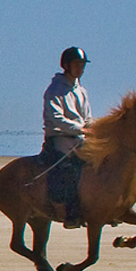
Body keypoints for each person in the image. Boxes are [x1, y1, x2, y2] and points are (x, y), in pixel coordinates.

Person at [41, 46, 93, 228]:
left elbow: (88, 119)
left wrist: (93, 130)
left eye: (82, 65)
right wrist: (81, 129)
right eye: (77, 64)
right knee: (70, 171)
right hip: (60, 139)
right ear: (66, 65)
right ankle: (71, 214)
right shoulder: (54, 90)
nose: (81, 68)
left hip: (80, 139)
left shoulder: (82, 91)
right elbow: (57, 119)